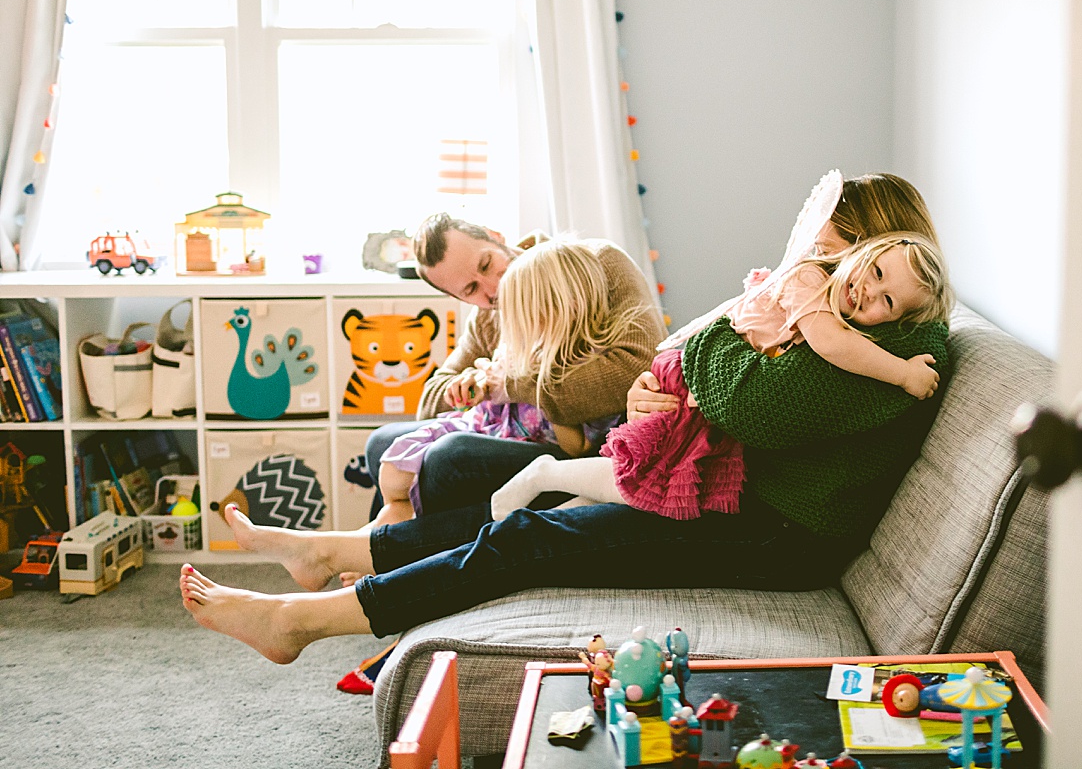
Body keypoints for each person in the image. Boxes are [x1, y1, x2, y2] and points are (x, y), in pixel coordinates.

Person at [178, 173, 951, 664]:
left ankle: (300, 621)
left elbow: (742, 393)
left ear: (881, 248)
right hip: (735, 490)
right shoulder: (850, 318)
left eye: (831, 252)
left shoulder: (899, 344)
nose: (811, 272)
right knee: (525, 509)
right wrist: (666, 384)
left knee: (534, 529)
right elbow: (704, 364)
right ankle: (330, 562)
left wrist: (704, 360)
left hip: (775, 531)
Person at [488, 227, 953, 521]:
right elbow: (834, 345)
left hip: (709, 383)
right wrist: (901, 373)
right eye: (872, 271)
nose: (867, 291)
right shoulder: (810, 281)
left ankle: (549, 518)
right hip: (695, 382)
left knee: (643, 487)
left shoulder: (845, 309)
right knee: (645, 480)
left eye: (887, 301)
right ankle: (545, 474)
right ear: (862, 252)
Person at [361, 215, 665, 528]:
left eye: (485, 264)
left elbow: (636, 367)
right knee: (381, 444)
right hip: (510, 431)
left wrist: (514, 383)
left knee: (447, 457)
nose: (493, 288)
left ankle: (384, 553)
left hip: (576, 443)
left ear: (495, 236)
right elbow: (430, 401)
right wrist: (469, 385)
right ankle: (377, 547)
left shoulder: (589, 263)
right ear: (458, 298)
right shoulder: (486, 316)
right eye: (471, 289)